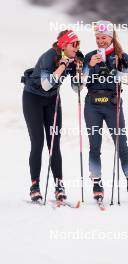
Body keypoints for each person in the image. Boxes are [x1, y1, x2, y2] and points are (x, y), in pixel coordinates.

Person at [82, 20, 128, 202]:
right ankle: (97, 184)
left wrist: (113, 72)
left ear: (111, 37)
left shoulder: (121, 56)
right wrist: (89, 66)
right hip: (92, 105)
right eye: (98, 38)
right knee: (94, 146)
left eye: (104, 37)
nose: (100, 41)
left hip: (113, 104)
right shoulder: (89, 56)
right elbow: (77, 86)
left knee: (121, 144)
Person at [22, 30, 81, 202]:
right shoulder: (49, 57)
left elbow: (77, 88)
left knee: (54, 143)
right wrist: (62, 65)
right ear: (63, 45)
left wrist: (77, 71)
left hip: (52, 101)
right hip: (33, 98)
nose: (77, 48)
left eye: (79, 44)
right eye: (74, 44)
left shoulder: (76, 56)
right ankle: (35, 185)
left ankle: (59, 186)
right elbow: (47, 85)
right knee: (38, 142)